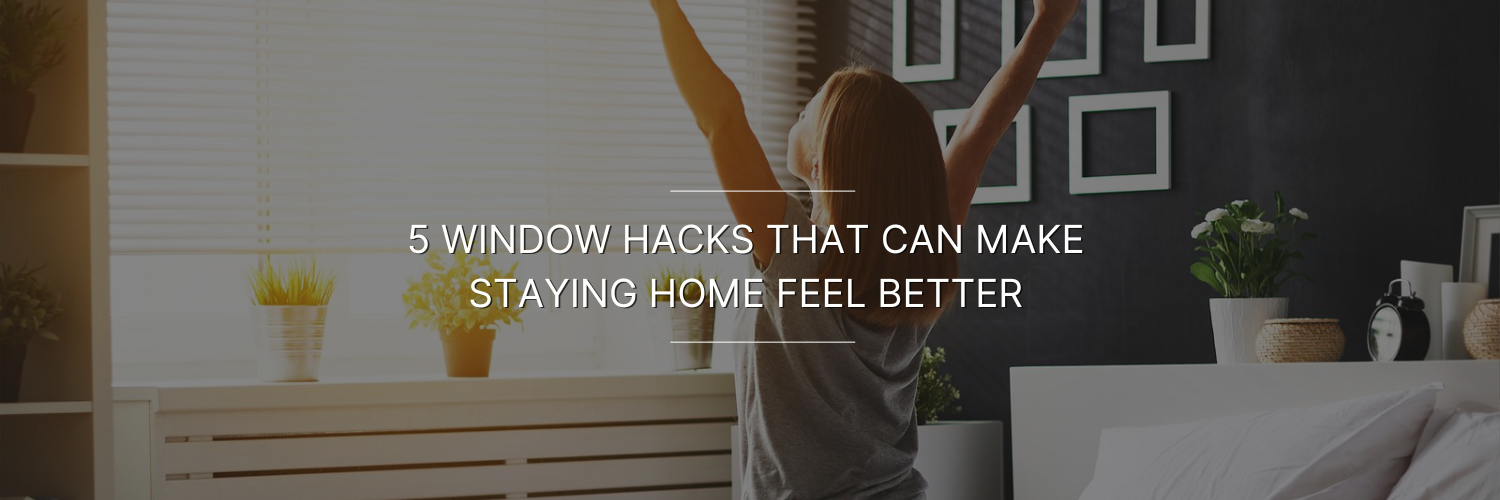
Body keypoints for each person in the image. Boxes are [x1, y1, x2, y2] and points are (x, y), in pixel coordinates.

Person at [649, 0, 1079, 497]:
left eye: (812, 107)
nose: (801, 108)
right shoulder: (920, 253)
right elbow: (977, 137)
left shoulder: (792, 248)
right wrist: (1050, 21)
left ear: (824, 159)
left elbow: (721, 117)